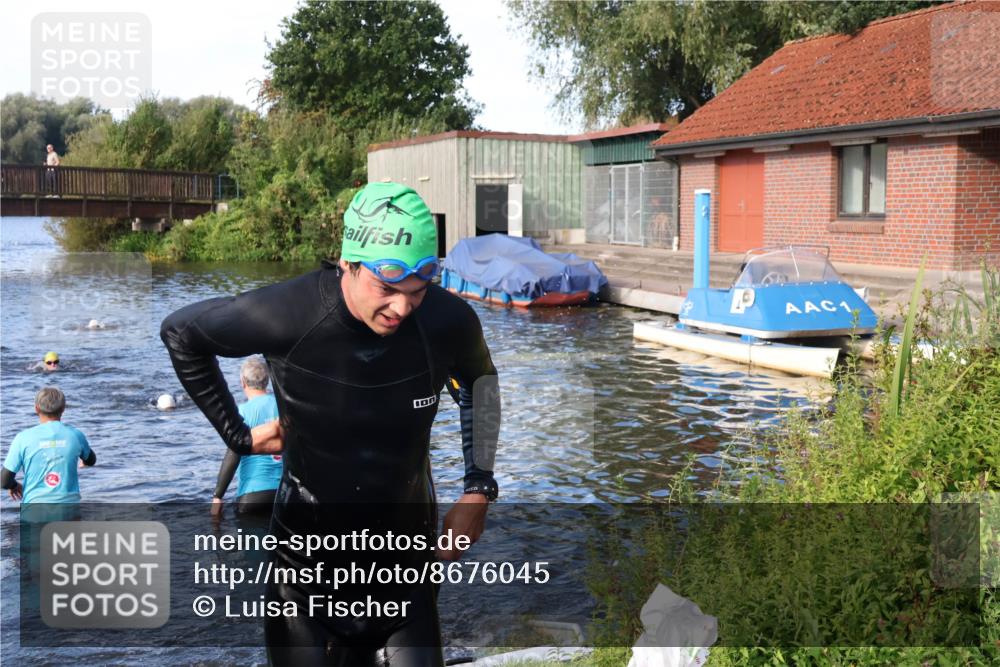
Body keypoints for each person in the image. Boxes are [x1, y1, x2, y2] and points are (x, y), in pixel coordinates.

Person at [161, 182, 500, 666]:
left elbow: (480, 383)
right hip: (303, 573)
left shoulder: (448, 320)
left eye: (418, 291)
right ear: (349, 263)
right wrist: (236, 434)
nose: (402, 308)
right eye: (386, 289)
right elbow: (181, 333)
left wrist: (477, 489)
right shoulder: (287, 312)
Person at [212, 356, 283, 516]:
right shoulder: (283, 406)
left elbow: (233, 453)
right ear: (267, 380)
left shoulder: (241, 413)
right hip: (283, 494)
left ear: (243, 382)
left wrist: (218, 496)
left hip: (252, 495)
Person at [1, 387, 96, 503]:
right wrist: (85, 462)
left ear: (36, 409)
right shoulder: (75, 435)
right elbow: (91, 460)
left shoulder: (23, 438)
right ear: (63, 408)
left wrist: (14, 486)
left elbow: (4, 481)